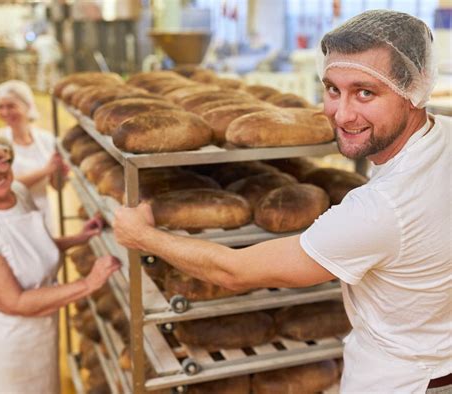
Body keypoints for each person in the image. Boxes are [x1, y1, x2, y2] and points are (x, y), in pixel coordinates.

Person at [113, 10, 451, 393]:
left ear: (413, 92)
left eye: (365, 92)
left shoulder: (380, 211)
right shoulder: (443, 134)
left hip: (404, 383)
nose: (341, 114)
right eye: (332, 90)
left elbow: (234, 271)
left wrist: (142, 235)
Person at [0, 121, 121, 393]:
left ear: (8, 154)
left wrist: (78, 238)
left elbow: (29, 249)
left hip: (42, 332)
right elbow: (15, 301)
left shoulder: (18, 192)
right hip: (5, 345)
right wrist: (89, 284)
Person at [0, 79, 68, 233]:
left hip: (43, 214)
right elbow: (6, 187)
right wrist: (46, 170)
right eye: (0, 107)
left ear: (27, 106)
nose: (4, 112)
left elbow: (56, 187)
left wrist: (61, 174)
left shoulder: (46, 139)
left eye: (11, 106)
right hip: (11, 219)